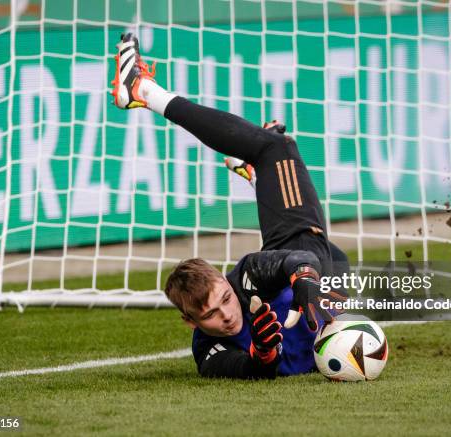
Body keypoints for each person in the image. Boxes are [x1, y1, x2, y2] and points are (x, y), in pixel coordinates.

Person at [111, 33, 348, 379]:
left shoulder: (247, 276)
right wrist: (262, 354)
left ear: (226, 280)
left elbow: (301, 260)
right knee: (276, 148)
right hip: (331, 279)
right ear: (190, 321)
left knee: (278, 151)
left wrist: (304, 278)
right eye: (209, 314)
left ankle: (144, 91)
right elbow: (242, 368)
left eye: (224, 297)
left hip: (307, 261)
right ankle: (258, 176)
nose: (226, 313)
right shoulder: (206, 349)